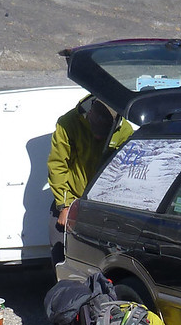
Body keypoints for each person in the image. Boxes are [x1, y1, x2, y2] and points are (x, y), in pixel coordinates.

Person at [47, 96, 133, 258]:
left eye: (104, 133)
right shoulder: (68, 123)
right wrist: (65, 206)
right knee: (60, 252)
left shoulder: (125, 131)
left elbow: (125, 172)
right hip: (70, 199)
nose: (99, 138)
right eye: (96, 131)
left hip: (102, 206)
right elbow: (57, 165)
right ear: (90, 113)